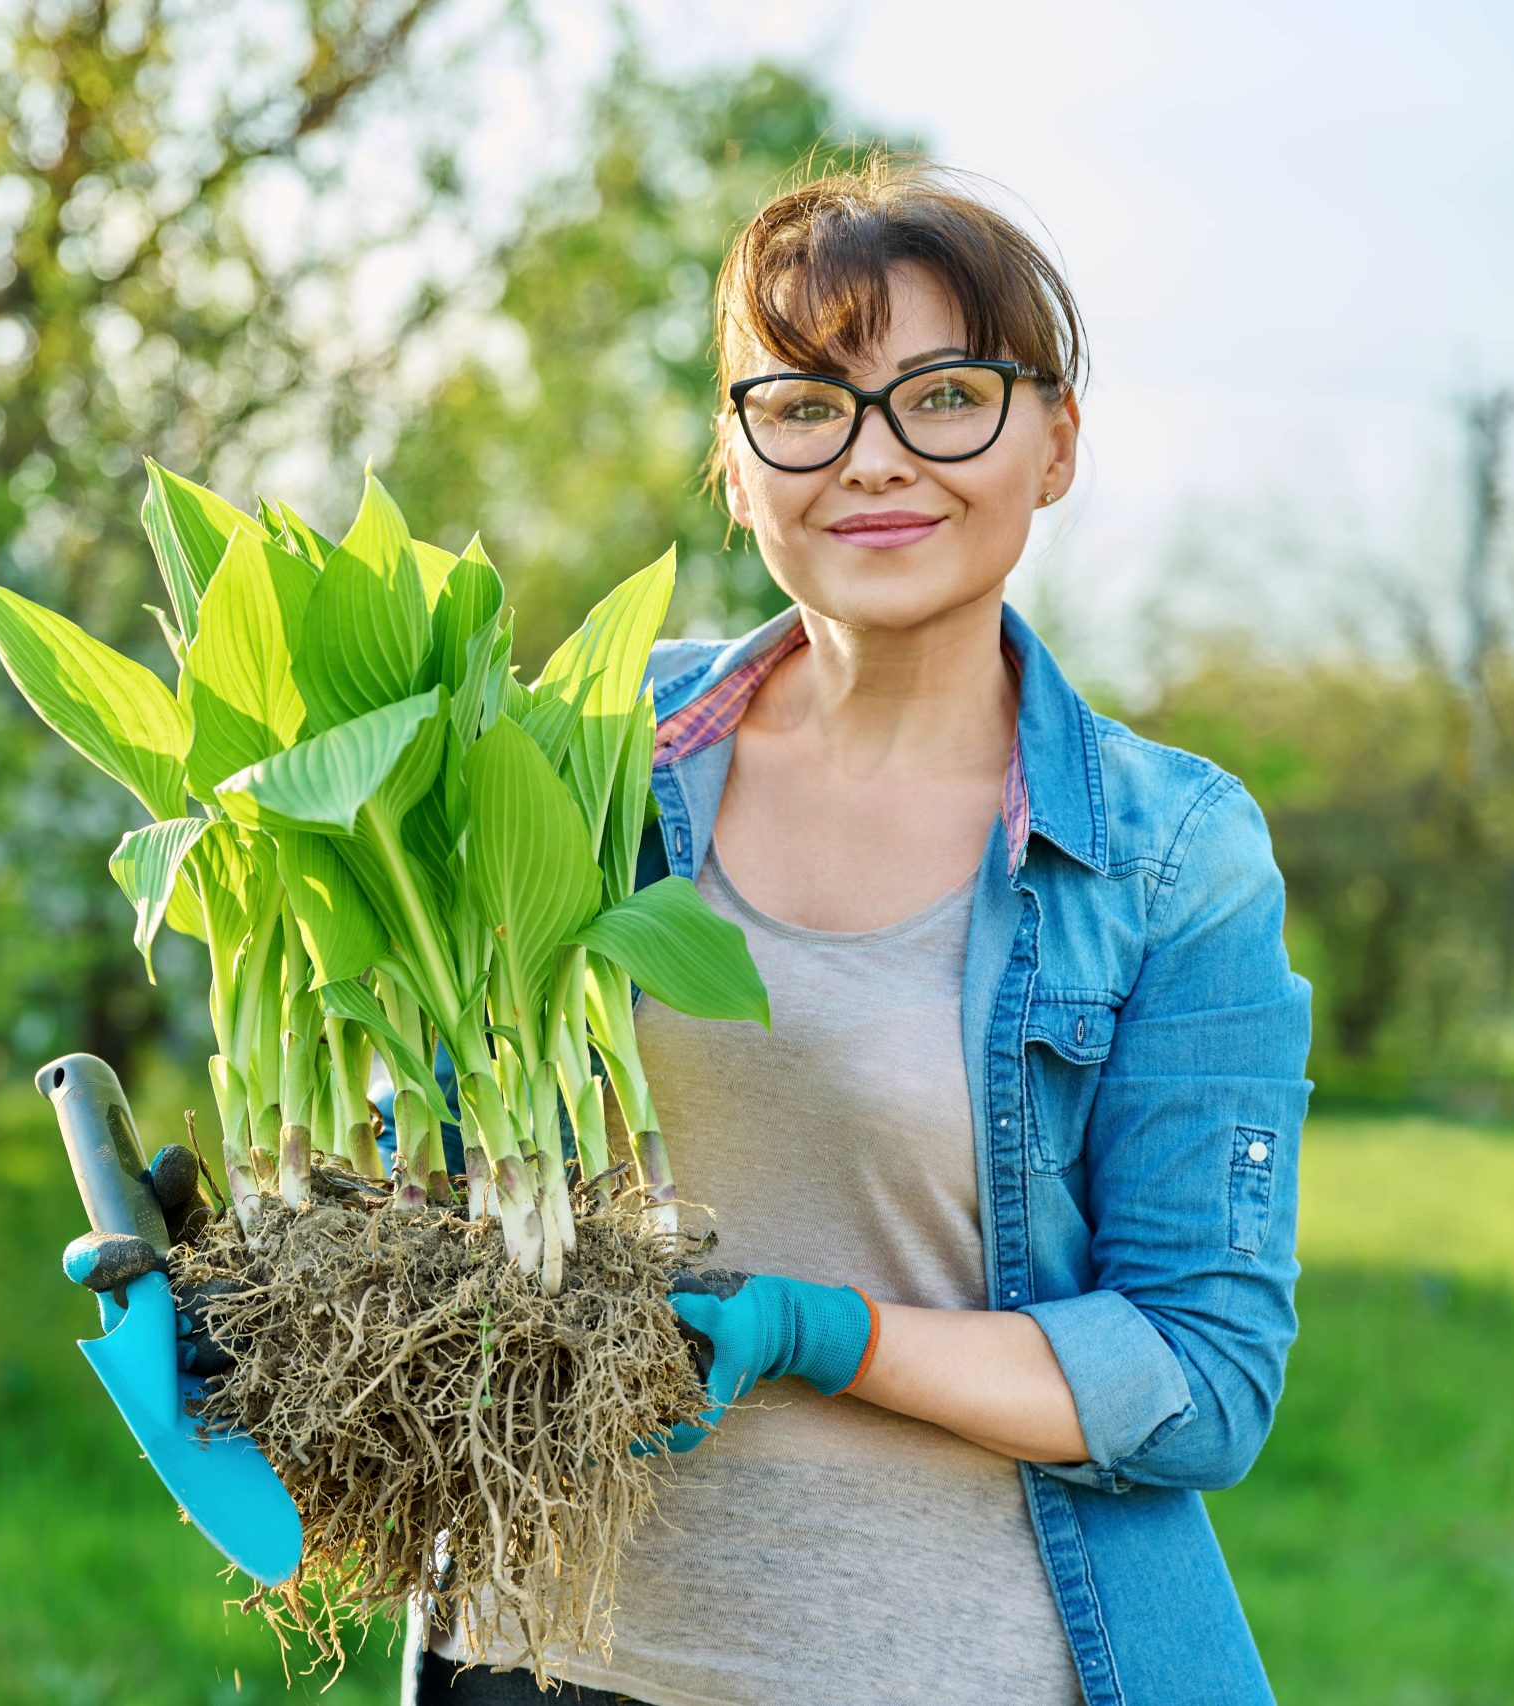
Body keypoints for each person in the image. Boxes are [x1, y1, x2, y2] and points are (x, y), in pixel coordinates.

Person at [409, 150, 1317, 1706]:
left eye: (947, 396)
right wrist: (247, 1268)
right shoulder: (584, 754)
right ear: (735, 457)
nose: (876, 458)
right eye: (809, 404)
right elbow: (451, 1147)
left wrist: (821, 1329)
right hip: (530, 1652)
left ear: (1055, 442)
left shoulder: (1172, 858)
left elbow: (1201, 1380)